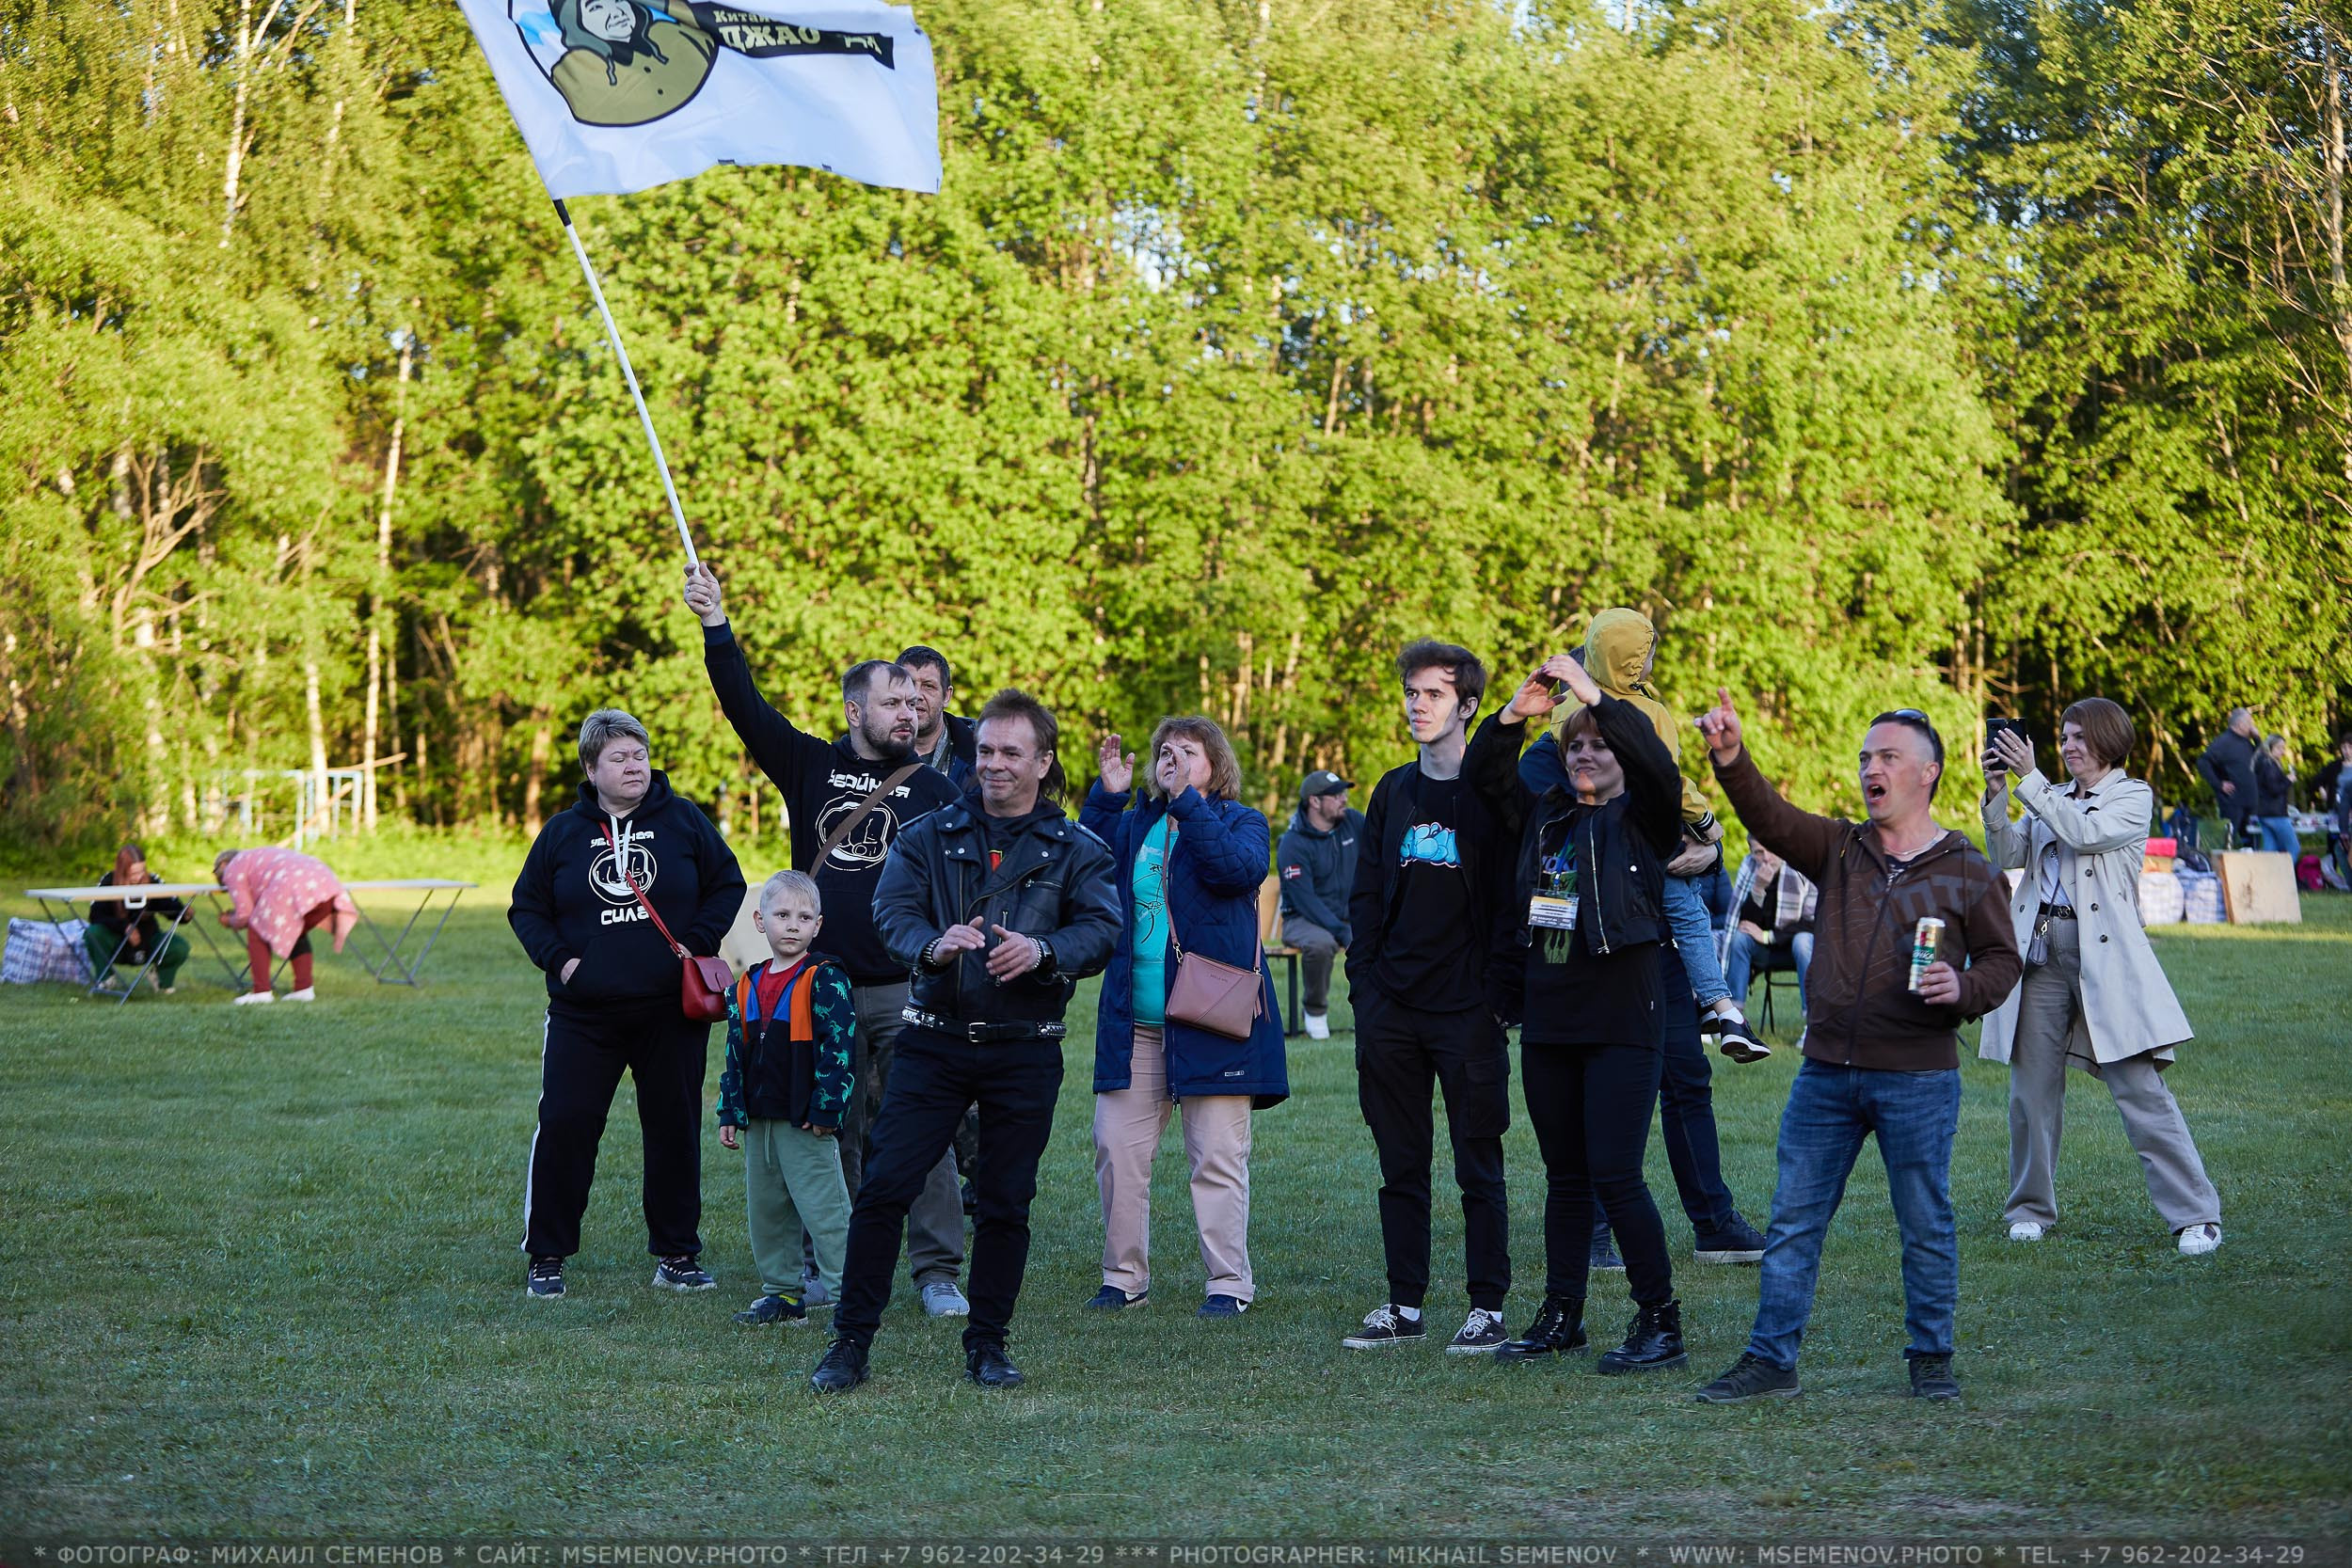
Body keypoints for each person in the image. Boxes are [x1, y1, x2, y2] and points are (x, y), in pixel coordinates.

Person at [1689, 696, 2022, 1405]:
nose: (1872, 768)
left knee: (1925, 1222)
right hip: (1826, 1075)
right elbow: (1769, 817)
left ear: (1927, 772)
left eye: (1888, 756)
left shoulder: (1966, 867)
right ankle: (1770, 1359)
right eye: (1866, 757)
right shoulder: (1840, 847)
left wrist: (1960, 987)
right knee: (1792, 1220)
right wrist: (1730, 758)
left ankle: (1931, 1358)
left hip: (1918, 1077)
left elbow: (2002, 960)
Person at [808, 690, 1121, 1393]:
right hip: (933, 1040)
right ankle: (849, 1344)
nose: (994, 764)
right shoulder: (928, 831)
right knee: (885, 1186)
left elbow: (1102, 928)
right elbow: (893, 910)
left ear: (1043, 761)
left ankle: (987, 1345)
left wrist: (1043, 950)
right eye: (984, 750)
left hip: (1025, 1046)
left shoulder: (1079, 848)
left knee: (1007, 1201)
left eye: (1012, 752)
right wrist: (932, 946)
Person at [684, 563, 972, 1319]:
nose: (909, 711)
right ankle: (824, 1264)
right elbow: (743, 706)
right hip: (821, 988)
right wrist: (717, 625)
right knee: (826, 1125)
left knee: (923, 1127)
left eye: (916, 701)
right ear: (854, 710)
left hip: (908, 986)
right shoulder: (811, 763)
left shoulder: (939, 791)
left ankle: (937, 1271)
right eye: (893, 700)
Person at [1486, 652, 1693, 1372]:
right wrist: (1516, 715)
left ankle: (1659, 1319)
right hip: (1551, 1019)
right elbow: (1488, 777)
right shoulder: (1545, 818)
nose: (1585, 753)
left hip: (1623, 1019)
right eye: (1575, 742)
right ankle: (1562, 1313)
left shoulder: (1646, 817)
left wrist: (1589, 694)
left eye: (1598, 744)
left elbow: (1654, 759)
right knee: (1565, 1174)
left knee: (1615, 1172)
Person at [508, 708, 746, 1300]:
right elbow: (526, 907)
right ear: (592, 769)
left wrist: (694, 944)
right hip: (584, 1013)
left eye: (639, 754)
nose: (633, 765)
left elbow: (728, 883)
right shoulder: (564, 832)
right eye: (618, 757)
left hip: (671, 1010)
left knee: (672, 1127)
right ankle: (547, 1254)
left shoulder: (684, 819)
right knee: (566, 1124)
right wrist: (565, 963)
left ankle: (677, 1253)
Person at [1520, 718, 1773, 1271]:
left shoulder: (1640, 735)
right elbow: (1557, 808)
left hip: (1656, 954)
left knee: (1686, 1082)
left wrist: (1711, 846)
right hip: (1584, 959)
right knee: (1595, 1101)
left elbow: (1674, 799)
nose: (1587, 751)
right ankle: (1593, 1235)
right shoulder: (1551, 752)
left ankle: (1713, 1224)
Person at [1980, 701, 2223, 1257]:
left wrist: (2031, 781)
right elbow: (2006, 853)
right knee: (2030, 1093)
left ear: (2108, 741)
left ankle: (2195, 1216)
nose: (2066, 747)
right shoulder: (2051, 794)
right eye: (2063, 737)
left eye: (2077, 738)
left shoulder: (2132, 797)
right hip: (2039, 954)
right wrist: (1998, 794)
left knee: (2140, 1089)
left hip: (2105, 962)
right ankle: (2029, 1209)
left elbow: (2087, 835)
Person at [1341, 640, 1521, 1354]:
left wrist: (1498, 993)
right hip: (1392, 1007)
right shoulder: (1392, 791)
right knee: (1400, 1161)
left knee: (1479, 1160)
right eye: (1412, 693)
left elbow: (1511, 901)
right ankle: (1404, 1303)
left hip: (1467, 1010)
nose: (1417, 705)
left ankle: (1487, 1307)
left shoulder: (1489, 797)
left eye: (1433, 694)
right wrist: (1365, 985)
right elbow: (1365, 893)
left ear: (1468, 705)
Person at [1082, 717, 1289, 1319]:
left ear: (1215, 764)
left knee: (1217, 1158)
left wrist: (1187, 803)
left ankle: (1228, 1284)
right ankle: (1124, 1278)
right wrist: (1107, 797)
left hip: (1212, 1020)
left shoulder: (1241, 821)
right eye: (1164, 751)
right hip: (1135, 1024)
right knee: (1116, 1150)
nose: (1171, 759)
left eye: (1187, 752)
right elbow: (1082, 862)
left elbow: (1235, 870)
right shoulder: (1137, 823)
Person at [1565, 610, 1770, 1062]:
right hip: (1643, 840)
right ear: (1635, 661)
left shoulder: (1563, 706)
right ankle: (1722, 1007)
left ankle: (1709, 1008)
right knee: (1689, 913)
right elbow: (1671, 781)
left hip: (1579, 851)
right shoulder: (1648, 712)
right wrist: (1707, 826)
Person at [718, 871, 859, 1325]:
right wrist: (729, 1108)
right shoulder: (745, 984)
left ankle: (849, 1295)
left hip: (805, 1120)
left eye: (804, 917)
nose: (792, 925)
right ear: (760, 922)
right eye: (782, 915)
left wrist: (827, 1109)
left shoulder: (826, 979)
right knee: (768, 1212)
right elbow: (734, 1053)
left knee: (826, 1210)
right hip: (760, 1121)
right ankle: (783, 1292)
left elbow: (840, 1049)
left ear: (818, 925)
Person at [1276, 770, 1361, 1040]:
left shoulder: (1354, 822)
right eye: (1335, 795)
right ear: (1314, 801)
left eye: (1344, 793)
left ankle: (1381, 1012)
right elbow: (1305, 900)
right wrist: (1341, 930)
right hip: (1302, 919)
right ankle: (1314, 1012)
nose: (1344, 799)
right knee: (1321, 944)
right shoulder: (1292, 842)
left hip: (1349, 915)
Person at [214, 847, 358, 1005]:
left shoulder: (233, 867)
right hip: (325, 882)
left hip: (290, 883)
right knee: (295, 929)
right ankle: (304, 989)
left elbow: (245, 915)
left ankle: (261, 992)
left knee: (257, 929)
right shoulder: (259, 855)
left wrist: (230, 921)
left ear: (222, 864)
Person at [1721, 847, 1818, 1014]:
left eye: (1771, 850)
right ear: (1751, 853)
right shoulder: (1750, 869)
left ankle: (1812, 1019)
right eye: (1759, 852)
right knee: (1740, 938)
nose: (1766, 858)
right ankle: (1733, 1016)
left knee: (1803, 940)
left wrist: (1768, 936)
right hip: (1764, 952)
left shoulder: (1802, 868)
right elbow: (1743, 922)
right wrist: (1758, 889)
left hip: (1797, 950)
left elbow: (1812, 922)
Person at [85, 842, 189, 993]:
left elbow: (170, 905)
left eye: (142, 871)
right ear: (122, 870)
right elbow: (96, 915)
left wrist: (184, 914)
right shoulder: (108, 881)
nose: (139, 877)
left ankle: (161, 978)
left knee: (179, 946)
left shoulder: (153, 880)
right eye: (133, 873)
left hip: (148, 941)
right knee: (93, 933)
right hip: (116, 942)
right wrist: (125, 927)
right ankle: (105, 978)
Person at [897, 645, 977, 786]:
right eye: (908, 684)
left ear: (947, 696)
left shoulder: (980, 752)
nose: (916, 696)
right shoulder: (868, 748)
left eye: (928, 686)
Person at [2195, 708, 2260, 846]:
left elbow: (2262, 760)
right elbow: (2203, 762)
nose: (2252, 726)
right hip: (2233, 802)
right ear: (2240, 724)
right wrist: (2219, 784)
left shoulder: (2247, 742)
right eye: (2250, 722)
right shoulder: (2223, 742)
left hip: (2251, 802)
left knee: (2251, 841)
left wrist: (2257, 739)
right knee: (2228, 840)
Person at [2251, 736, 2299, 855]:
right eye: (2279, 748)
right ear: (2270, 747)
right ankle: (2284, 873)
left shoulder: (2262, 762)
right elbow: (2274, 789)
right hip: (2275, 813)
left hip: (2263, 812)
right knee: (2293, 848)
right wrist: (2289, 780)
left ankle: (2267, 873)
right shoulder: (2270, 765)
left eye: (2283, 748)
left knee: (2270, 850)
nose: (2282, 751)